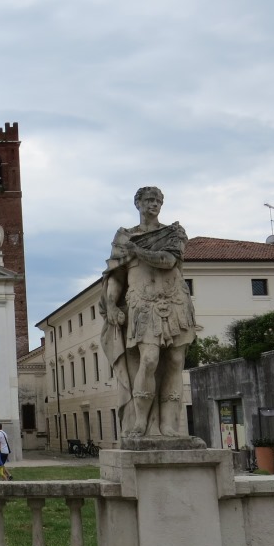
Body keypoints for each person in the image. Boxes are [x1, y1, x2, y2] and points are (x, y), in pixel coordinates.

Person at [99, 186, 196, 438]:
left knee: (175, 361)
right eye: (149, 200)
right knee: (150, 359)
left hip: (175, 302)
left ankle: (169, 425)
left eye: (158, 200)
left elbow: (169, 261)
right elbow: (116, 277)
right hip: (142, 305)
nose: (154, 204)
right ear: (138, 204)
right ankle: (140, 422)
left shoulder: (174, 232)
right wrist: (110, 305)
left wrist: (138, 252)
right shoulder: (124, 237)